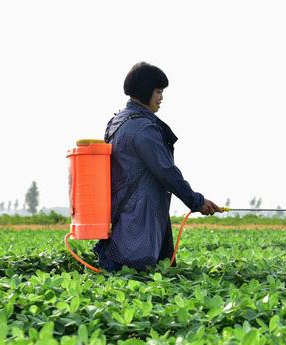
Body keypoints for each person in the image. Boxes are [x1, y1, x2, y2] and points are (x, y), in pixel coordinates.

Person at [94, 62, 222, 271]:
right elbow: (166, 172)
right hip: (136, 228)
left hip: (120, 222)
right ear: (145, 91)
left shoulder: (118, 122)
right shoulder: (143, 128)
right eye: (158, 91)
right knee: (138, 284)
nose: (161, 98)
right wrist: (196, 201)